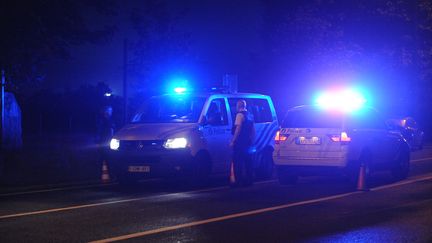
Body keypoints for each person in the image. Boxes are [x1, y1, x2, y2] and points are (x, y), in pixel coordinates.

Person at [230, 100, 256, 186]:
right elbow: (253, 130)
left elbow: (238, 129)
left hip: (240, 142)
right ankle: (250, 180)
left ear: (239, 106)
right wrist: (252, 141)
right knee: (248, 161)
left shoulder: (239, 115)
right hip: (248, 142)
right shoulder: (250, 115)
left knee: (238, 162)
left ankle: (239, 181)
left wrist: (233, 141)